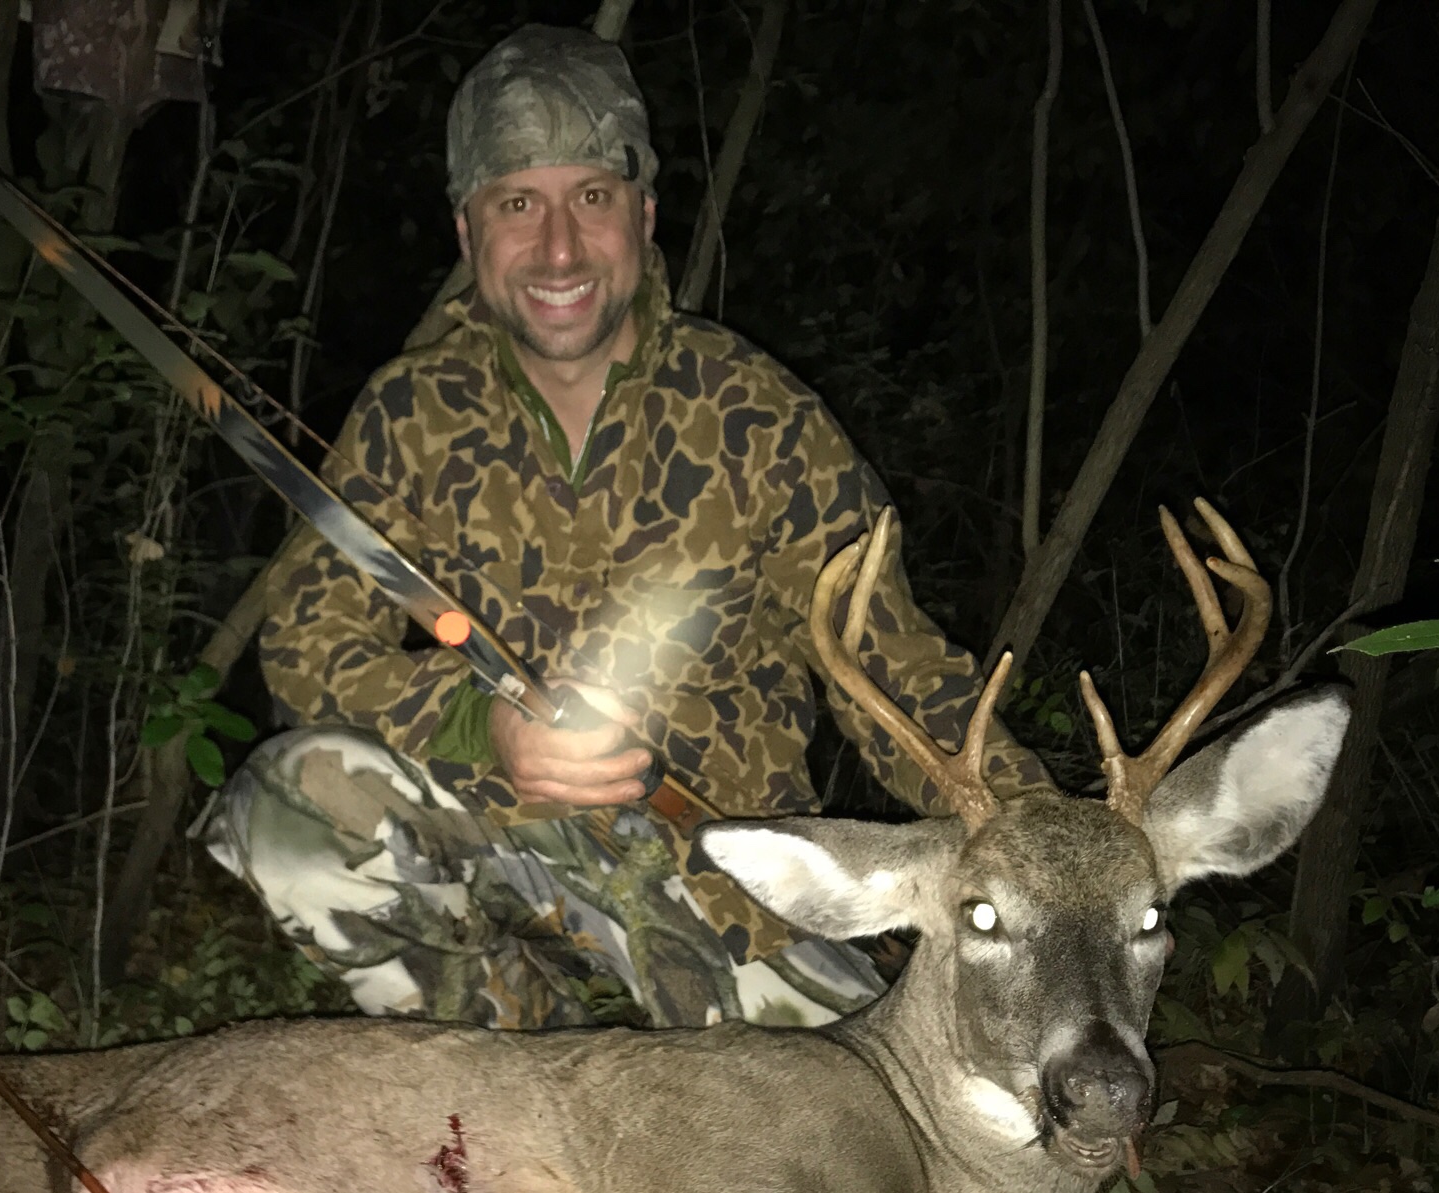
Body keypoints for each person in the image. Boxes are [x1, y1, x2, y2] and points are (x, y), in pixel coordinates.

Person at [206, 24, 1047, 1031]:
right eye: (518, 204)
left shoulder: (756, 414)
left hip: (710, 879)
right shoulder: (408, 413)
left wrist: (1032, 823)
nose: (558, 248)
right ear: (468, 234)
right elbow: (307, 651)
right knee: (287, 801)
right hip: (487, 838)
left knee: (860, 1111)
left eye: (592, 199)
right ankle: (508, 1066)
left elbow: (889, 663)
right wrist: (481, 726)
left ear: (644, 216)